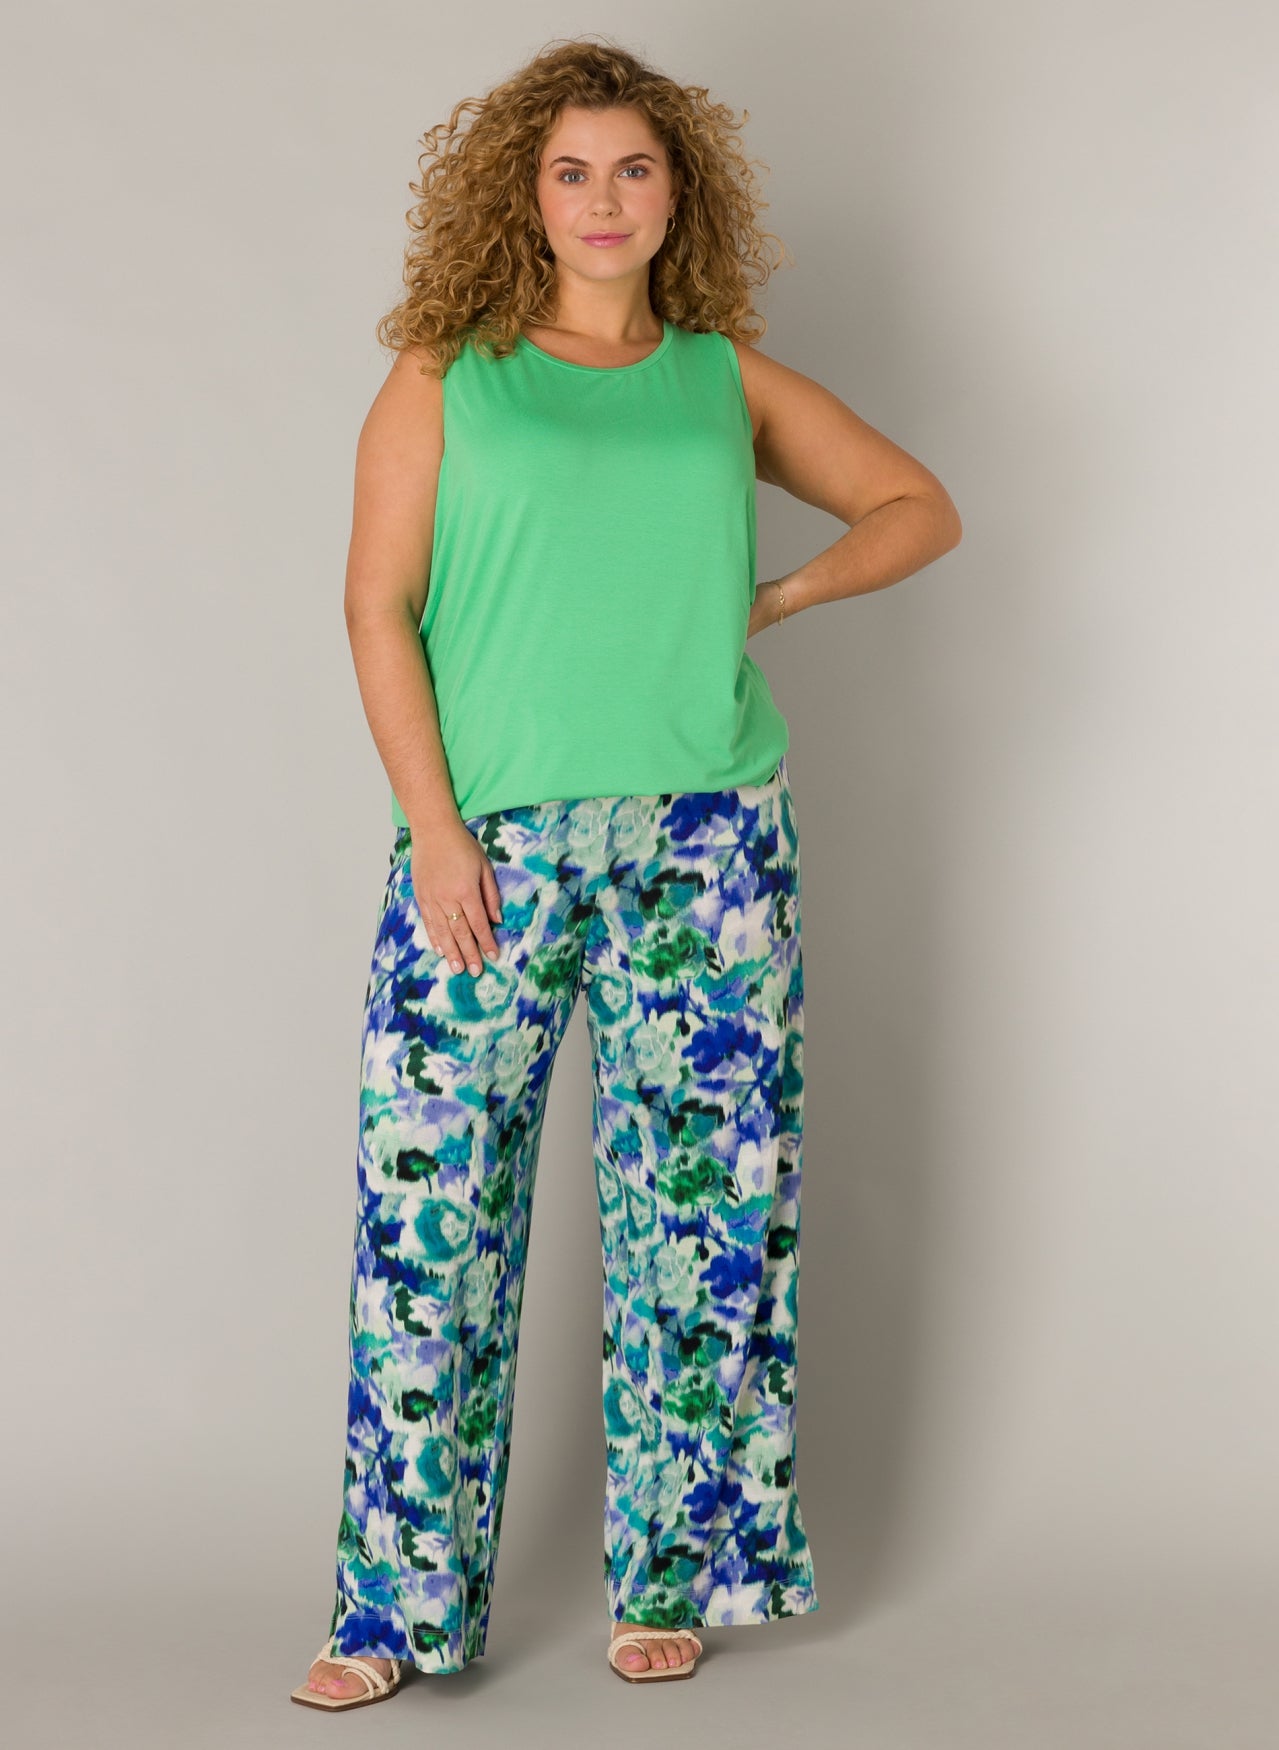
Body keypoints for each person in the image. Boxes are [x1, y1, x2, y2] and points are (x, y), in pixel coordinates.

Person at [291, 35, 961, 1713]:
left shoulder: (722, 379)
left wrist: (776, 599)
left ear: (681, 195)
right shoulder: (448, 373)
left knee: (704, 1220)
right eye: (572, 170)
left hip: (707, 847)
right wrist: (436, 826)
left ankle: (673, 1575)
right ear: (524, 193)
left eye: (636, 168)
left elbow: (915, 505)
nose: (604, 198)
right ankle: (392, 1609)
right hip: (491, 842)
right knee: (434, 1223)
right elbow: (376, 605)